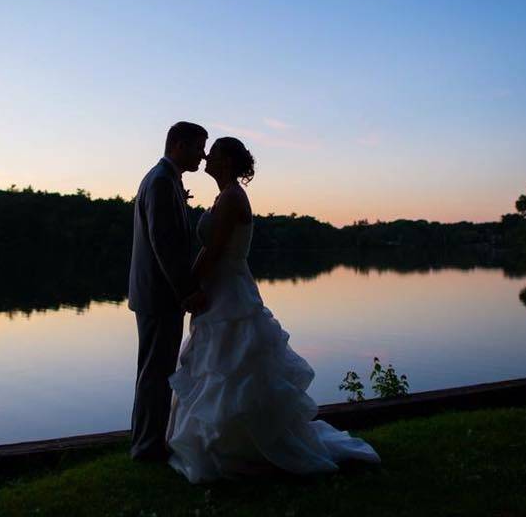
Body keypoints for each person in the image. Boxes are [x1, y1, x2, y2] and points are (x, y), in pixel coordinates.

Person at [164, 136, 382, 482]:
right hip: (222, 288)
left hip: (230, 292)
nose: (206, 155)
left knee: (233, 366)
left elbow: (215, 250)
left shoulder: (233, 197)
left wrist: (186, 289)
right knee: (218, 367)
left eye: (215, 152)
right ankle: (222, 443)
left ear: (228, 163)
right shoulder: (225, 196)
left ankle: (242, 448)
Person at [127, 121, 209, 462]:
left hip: (154, 295)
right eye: (198, 147)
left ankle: (147, 442)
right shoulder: (160, 182)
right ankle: (146, 447)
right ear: (178, 144)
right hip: (159, 296)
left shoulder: (166, 179)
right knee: (155, 373)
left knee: (155, 371)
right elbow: (164, 245)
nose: (203, 155)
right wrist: (185, 292)